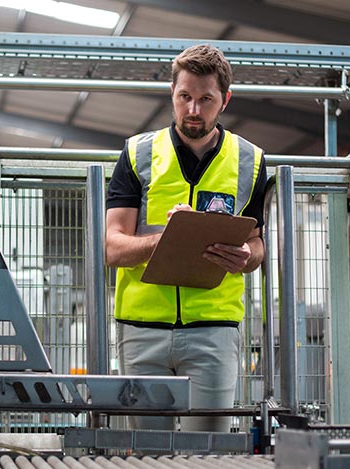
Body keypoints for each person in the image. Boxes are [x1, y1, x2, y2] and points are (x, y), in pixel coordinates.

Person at [105, 44, 267, 432]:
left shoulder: (251, 161)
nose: (193, 110)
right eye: (185, 97)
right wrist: (168, 241)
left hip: (214, 330)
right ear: (172, 95)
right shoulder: (137, 154)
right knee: (147, 456)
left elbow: (258, 243)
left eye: (205, 99)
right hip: (142, 330)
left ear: (224, 99)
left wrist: (246, 255)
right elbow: (112, 246)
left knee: (209, 452)